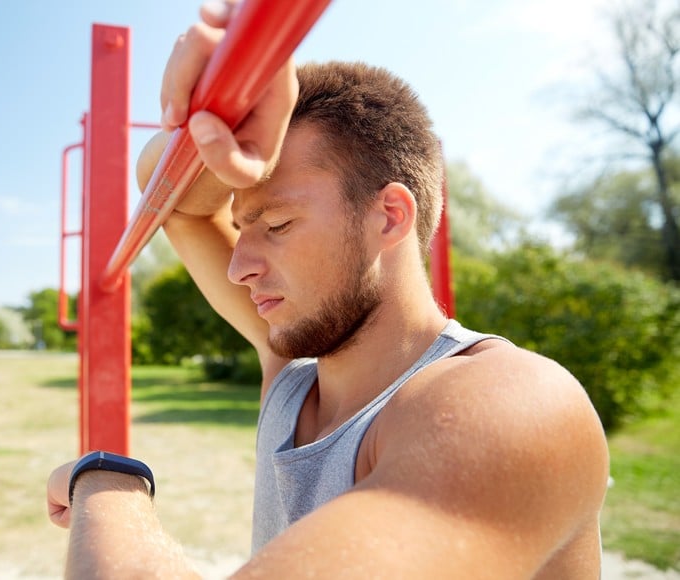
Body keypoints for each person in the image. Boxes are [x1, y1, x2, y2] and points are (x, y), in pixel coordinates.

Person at [46, 3, 610, 577]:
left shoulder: (510, 402)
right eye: (242, 229)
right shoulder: (291, 373)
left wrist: (106, 482)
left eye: (279, 225)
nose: (239, 266)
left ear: (388, 217)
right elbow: (173, 199)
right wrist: (222, 114)